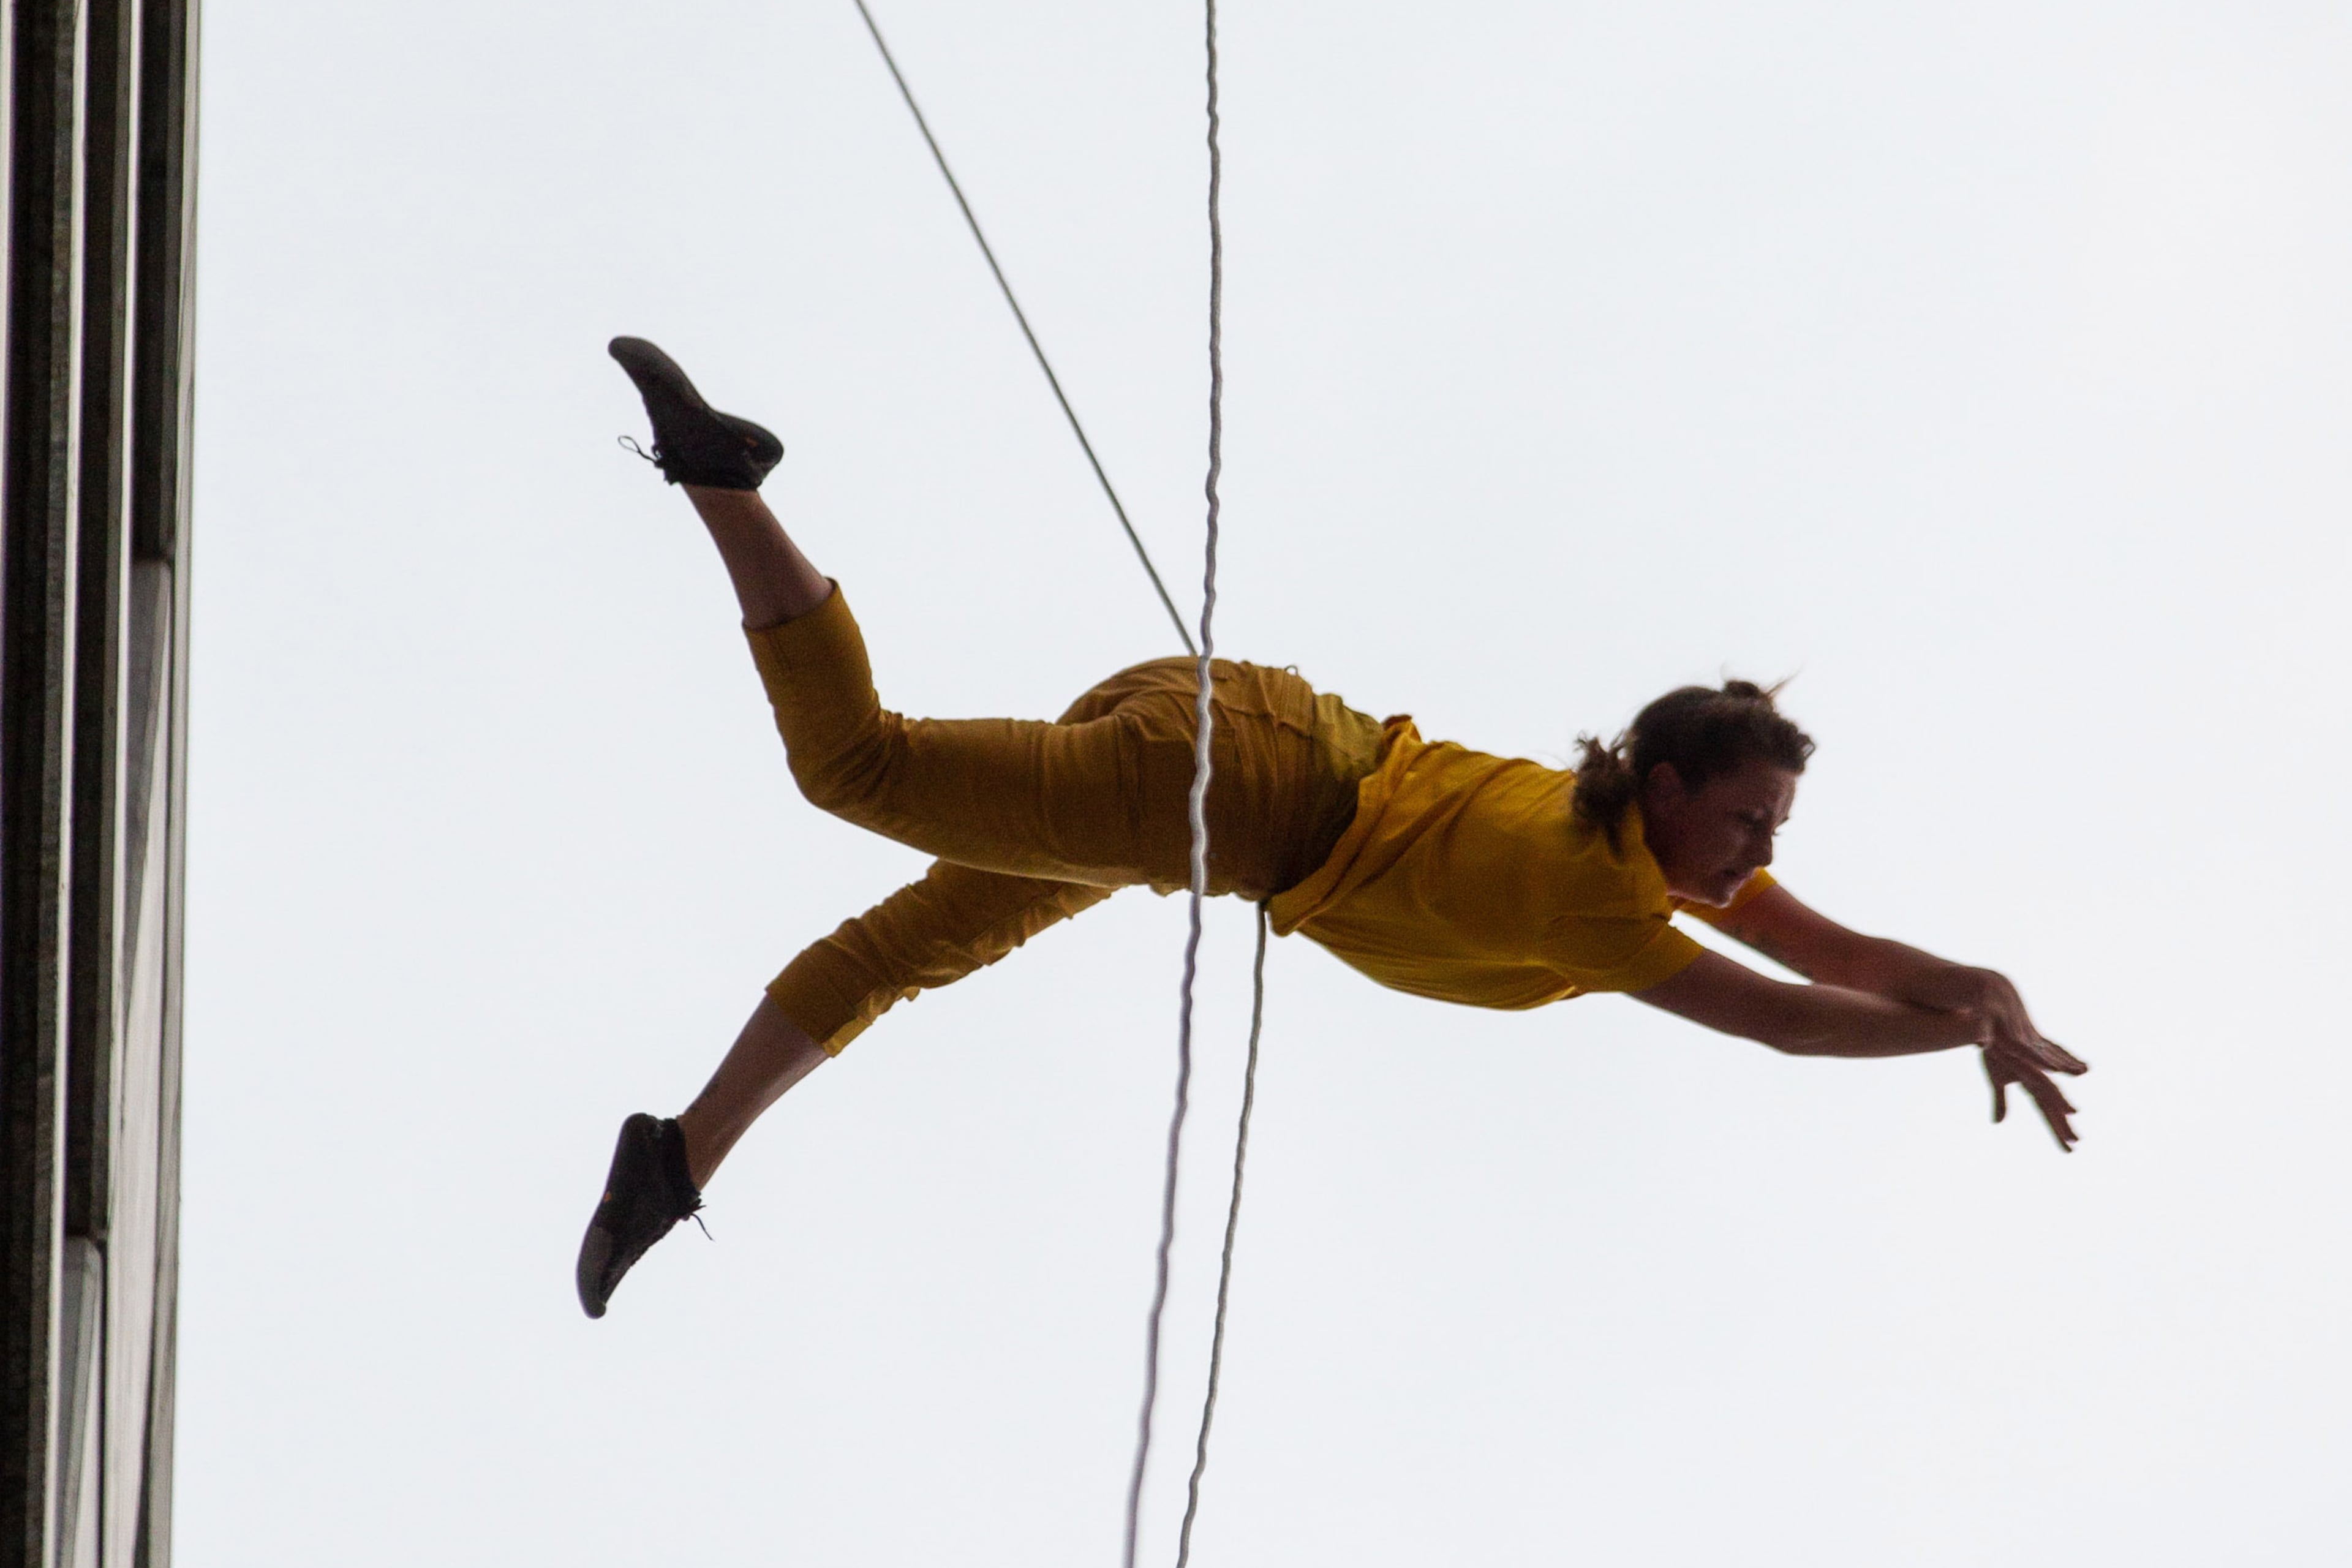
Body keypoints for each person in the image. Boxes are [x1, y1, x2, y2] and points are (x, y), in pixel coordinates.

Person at [575, 337, 2086, 1317]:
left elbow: (1831, 950)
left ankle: (681, 1157)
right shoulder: (1602, 907)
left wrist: (1984, 992)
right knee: (858, 770)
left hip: (1234, 733)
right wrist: (1958, 1040)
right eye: (1753, 821)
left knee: (918, 940)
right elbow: (1797, 1022)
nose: (1764, 857)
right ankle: (726, 485)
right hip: (1237, 794)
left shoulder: (1626, 840)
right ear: (1678, 791)